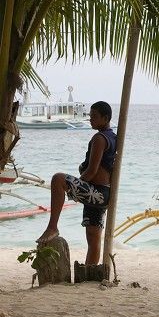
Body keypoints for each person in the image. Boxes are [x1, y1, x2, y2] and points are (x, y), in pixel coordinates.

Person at [36, 101, 117, 265]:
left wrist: (74, 187)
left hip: (96, 192)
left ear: (105, 118)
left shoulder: (100, 138)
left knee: (58, 179)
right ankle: (89, 273)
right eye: (90, 116)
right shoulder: (112, 137)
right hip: (103, 194)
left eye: (94, 116)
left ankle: (52, 227)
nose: (90, 119)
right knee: (93, 239)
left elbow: (92, 171)